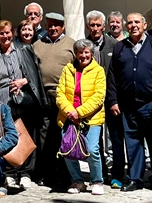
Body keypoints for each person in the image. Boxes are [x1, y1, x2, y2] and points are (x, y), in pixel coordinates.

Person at [106, 12, 152, 193]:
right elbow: (112, 76)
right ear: (126, 26)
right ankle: (135, 178)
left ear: (145, 25)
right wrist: (113, 100)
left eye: (137, 22)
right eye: (130, 23)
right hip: (129, 105)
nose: (133, 25)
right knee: (133, 142)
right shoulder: (120, 47)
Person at [0, 19, 45, 190]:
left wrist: (22, 81)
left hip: (23, 99)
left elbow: (35, 73)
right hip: (4, 101)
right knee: (8, 136)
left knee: (26, 134)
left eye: (8, 32)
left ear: (13, 33)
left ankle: (26, 173)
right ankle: (10, 172)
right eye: (1, 33)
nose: (5, 36)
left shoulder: (23, 50)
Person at [56, 38, 106, 195]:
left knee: (92, 149)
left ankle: (97, 181)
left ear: (91, 53)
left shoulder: (98, 71)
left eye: (86, 52)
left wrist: (80, 112)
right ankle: (77, 181)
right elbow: (60, 94)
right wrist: (71, 112)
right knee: (68, 150)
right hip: (69, 117)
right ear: (75, 54)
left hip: (91, 118)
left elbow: (99, 96)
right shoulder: (68, 69)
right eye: (80, 52)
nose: (83, 55)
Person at [31, 12, 75, 190]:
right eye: (50, 25)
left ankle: (65, 173)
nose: (53, 28)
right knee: (44, 135)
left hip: (64, 96)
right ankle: (47, 173)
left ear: (63, 27)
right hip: (43, 96)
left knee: (63, 135)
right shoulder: (37, 45)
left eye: (57, 25)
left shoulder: (71, 44)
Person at [86, 10, 123, 188]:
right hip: (90, 101)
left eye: (98, 25)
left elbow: (119, 74)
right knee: (95, 141)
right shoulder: (83, 45)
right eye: (92, 25)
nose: (95, 28)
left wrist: (115, 99)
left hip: (111, 99)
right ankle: (99, 174)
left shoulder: (115, 45)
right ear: (88, 27)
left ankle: (117, 174)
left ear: (104, 26)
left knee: (116, 138)